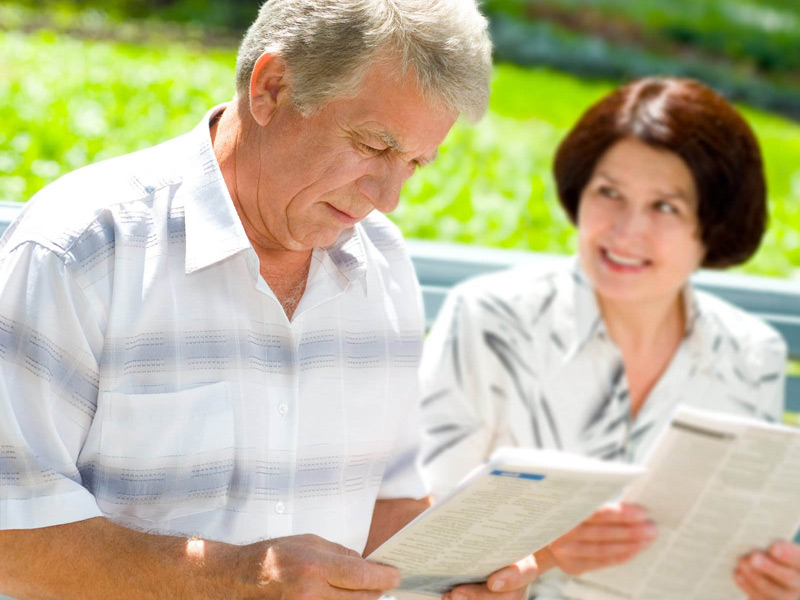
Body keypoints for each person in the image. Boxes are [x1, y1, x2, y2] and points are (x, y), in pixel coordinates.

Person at [0, 1, 539, 599]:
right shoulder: (83, 249)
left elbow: (385, 503)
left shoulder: (382, 265)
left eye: (414, 163)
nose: (388, 197)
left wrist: (466, 568)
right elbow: (9, 537)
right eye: (374, 145)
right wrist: (232, 580)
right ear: (272, 87)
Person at [419, 76, 800, 600]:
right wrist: (544, 557)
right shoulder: (491, 320)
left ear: (714, 226)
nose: (624, 232)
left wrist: (773, 585)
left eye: (665, 207)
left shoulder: (752, 353)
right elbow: (419, 557)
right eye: (609, 193)